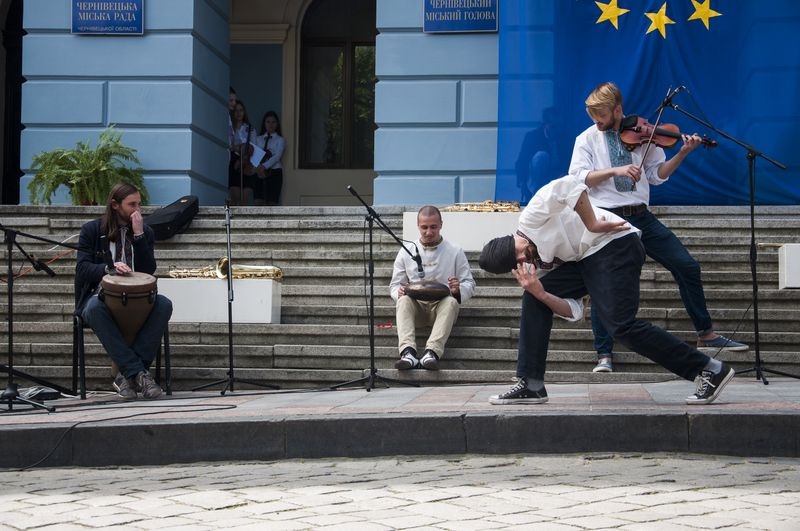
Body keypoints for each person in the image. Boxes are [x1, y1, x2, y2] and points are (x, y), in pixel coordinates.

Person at [478, 175, 735, 406]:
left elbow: (569, 184)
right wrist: (541, 293)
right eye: (517, 262)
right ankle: (531, 383)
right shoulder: (536, 267)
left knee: (620, 325)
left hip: (614, 243)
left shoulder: (531, 217)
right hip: (587, 260)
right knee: (533, 296)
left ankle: (708, 369)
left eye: (517, 251)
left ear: (510, 239)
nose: (523, 258)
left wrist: (591, 223)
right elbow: (574, 310)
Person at [569, 81, 747, 373]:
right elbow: (578, 177)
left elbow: (656, 175)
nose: (597, 122)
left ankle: (706, 333)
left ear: (617, 109)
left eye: (601, 116)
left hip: (641, 215)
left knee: (687, 266)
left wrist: (682, 153)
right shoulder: (586, 139)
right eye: (593, 117)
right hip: (608, 218)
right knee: (605, 282)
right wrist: (615, 170)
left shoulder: (645, 134)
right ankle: (604, 353)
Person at [75, 182, 173, 400]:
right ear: (115, 205)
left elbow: (148, 270)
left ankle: (126, 376)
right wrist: (108, 268)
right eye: (132, 204)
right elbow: (82, 269)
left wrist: (138, 236)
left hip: (138, 299)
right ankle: (139, 374)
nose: (137, 209)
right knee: (92, 308)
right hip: (102, 296)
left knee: (164, 304)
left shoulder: (145, 232)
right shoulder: (92, 230)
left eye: (139, 204)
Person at [389, 205, 476, 370]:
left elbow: (469, 283)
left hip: (440, 308)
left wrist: (457, 289)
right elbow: (395, 284)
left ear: (441, 225)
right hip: (417, 308)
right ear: (418, 226)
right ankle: (408, 353)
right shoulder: (406, 251)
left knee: (451, 301)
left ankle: (432, 353)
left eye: (433, 227)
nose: (429, 232)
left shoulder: (455, 251)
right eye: (424, 227)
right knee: (403, 300)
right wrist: (399, 292)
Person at [515, 106, 561, 204]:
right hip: (536, 177)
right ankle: (536, 196)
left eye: (558, 126)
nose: (556, 130)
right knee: (541, 156)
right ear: (545, 125)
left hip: (556, 176)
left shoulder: (564, 138)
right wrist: (523, 183)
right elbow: (522, 161)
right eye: (553, 127)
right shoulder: (533, 137)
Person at [253, 110, 286, 206]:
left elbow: (277, 156)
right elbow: (254, 154)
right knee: (258, 202)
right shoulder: (258, 139)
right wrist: (258, 168)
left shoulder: (280, 140)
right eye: (268, 122)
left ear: (277, 124)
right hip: (258, 172)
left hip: (274, 172)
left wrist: (264, 166)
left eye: (273, 122)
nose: (270, 124)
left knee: (272, 203)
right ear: (264, 123)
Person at [228, 100, 256, 205]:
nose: (239, 113)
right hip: (234, 160)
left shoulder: (250, 129)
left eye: (241, 110)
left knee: (244, 199)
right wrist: (236, 148)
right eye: (236, 110)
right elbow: (228, 145)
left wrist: (240, 148)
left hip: (247, 162)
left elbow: (254, 147)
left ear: (244, 112)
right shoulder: (230, 128)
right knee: (235, 198)